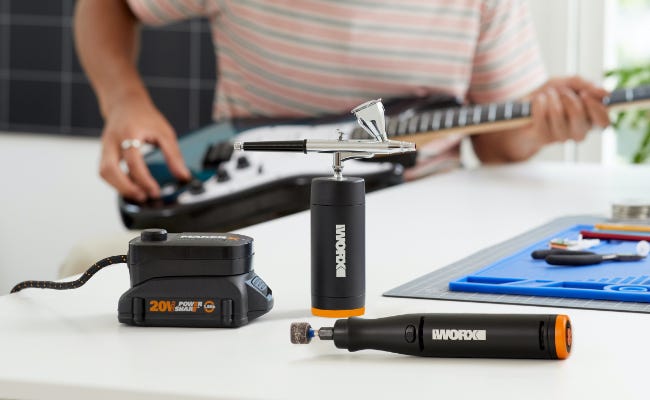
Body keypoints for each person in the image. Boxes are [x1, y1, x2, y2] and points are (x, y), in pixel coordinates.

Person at [74, 0, 610, 202]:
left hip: (419, 210)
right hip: (253, 212)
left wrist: (543, 124)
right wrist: (124, 100)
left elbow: (498, 147)